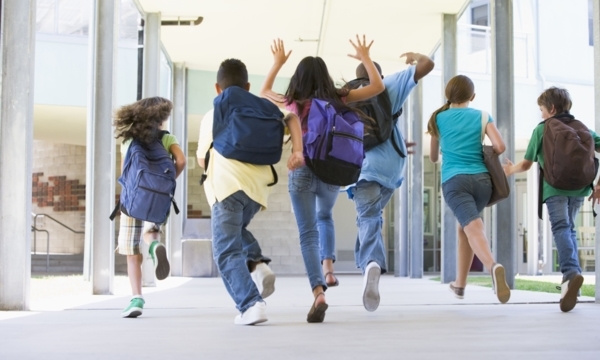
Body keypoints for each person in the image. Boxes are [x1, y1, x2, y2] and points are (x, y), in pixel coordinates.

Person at [261, 36, 384, 322]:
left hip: (302, 168)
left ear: (299, 79)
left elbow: (265, 90)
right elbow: (377, 87)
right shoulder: (339, 97)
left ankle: (318, 291)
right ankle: (330, 267)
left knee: (308, 234)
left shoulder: (294, 102)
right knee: (325, 216)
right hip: (332, 170)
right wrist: (365, 57)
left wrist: (277, 62)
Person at [197, 58, 304, 325]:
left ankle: (250, 304)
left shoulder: (214, 114)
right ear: (247, 86)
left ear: (217, 88)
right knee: (236, 232)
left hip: (227, 188)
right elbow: (291, 117)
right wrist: (298, 151)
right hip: (256, 193)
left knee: (226, 249)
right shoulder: (264, 108)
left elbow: (202, 160)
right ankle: (257, 262)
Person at [347, 52, 434, 312]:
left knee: (368, 217)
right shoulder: (389, 85)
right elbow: (428, 65)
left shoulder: (346, 94)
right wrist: (414, 57)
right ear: (378, 75)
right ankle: (367, 264)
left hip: (361, 167)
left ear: (355, 78)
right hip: (392, 167)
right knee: (370, 217)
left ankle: (371, 262)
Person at [504, 86, 600, 312]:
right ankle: (570, 283)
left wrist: (510, 170)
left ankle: (570, 273)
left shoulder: (543, 129)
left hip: (554, 188)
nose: (541, 114)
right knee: (570, 229)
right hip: (579, 189)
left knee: (561, 228)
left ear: (552, 108)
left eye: (541, 109)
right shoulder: (583, 128)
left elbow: (526, 164)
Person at [428, 75, 511, 304]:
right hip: (483, 182)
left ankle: (493, 267)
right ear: (472, 97)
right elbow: (500, 146)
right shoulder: (482, 116)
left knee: (473, 227)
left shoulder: (438, 118)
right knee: (464, 228)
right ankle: (460, 285)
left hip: (455, 181)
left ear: (448, 95)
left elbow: (434, 157)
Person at [114, 97, 187, 318]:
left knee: (132, 252)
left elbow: (125, 173)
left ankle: (136, 298)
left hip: (131, 200)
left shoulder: (128, 141)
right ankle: (155, 246)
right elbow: (182, 160)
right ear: (161, 119)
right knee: (151, 231)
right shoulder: (167, 138)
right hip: (157, 197)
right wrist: (167, 183)